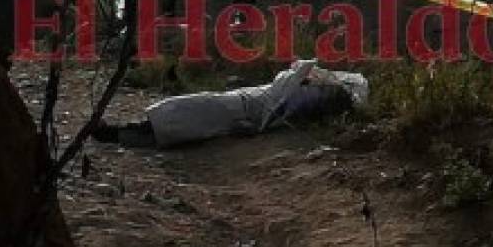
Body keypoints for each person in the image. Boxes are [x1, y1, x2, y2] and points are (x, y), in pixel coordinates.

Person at [91, 60, 369, 149]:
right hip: (240, 105)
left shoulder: (299, 97)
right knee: (183, 115)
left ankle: (117, 134)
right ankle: (120, 133)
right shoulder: (299, 94)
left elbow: (282, 96)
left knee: (185, 116)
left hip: (241, 108)